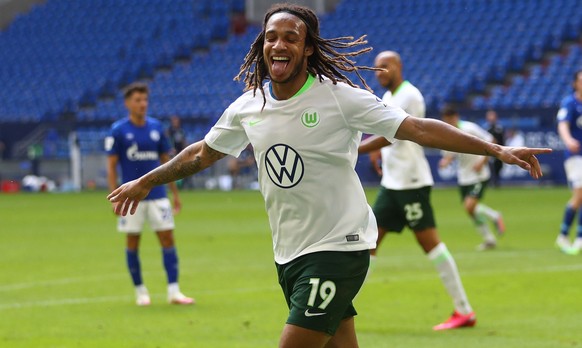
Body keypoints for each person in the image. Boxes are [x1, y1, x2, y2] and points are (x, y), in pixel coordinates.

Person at [107, 5, 549, 347]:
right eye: (271, 37)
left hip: (339, 248)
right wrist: (148, 180)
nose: (279, 45)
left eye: (291, 38)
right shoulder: (248, 106)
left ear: (308, 48)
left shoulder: (340, 98)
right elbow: (203, 153)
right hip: (290, 253)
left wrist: (495, 149)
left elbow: (416, 128)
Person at [358, 51, 475, 331]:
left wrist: (359, 149)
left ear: (398, 67)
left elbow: (394, 134)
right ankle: (339, 310)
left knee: (430, 244)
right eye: (376, 69)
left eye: (385, 67)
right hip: (392, 184)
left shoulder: (411, 96)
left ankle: (464, 310)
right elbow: (382, 133)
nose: (380, 72)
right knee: (368, 243)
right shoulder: (388, 98)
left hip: (410, 183)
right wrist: (374, 155)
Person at [105, 83, 194, 306]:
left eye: (145, 100)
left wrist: (175, 192)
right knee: (133, 241)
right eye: (137, 100)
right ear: (127, 103)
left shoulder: (156, 128)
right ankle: (140, 291)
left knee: (168, 238)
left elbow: (168, 163)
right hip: (130, 197)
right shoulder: (118, 130)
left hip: (158, 195)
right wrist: (115, 197)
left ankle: (174, 291)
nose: (142, 104)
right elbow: (111, 166)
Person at [439, 106, 506, 251]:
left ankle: (494, 217)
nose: (448, 122)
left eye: (450, 119)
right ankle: (489, 237)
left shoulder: (469, 128)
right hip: (463, 177)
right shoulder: (447, 133)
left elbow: (491, 140)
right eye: (446, 120)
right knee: (470, 210)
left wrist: (482, 161)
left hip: (479, 175)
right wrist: (446, 161)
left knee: (470, 206)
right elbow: (451, 153)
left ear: (456, 117)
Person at [555, 69, 582, 255]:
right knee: (579, 194)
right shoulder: (570, 103)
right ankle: (563, 235)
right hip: (576, 156)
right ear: (575, 83)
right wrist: (569, 140)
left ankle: (578, 236)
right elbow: (562, 124)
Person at [485, 110, 505, 187]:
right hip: (490, 152)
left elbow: (502, 140)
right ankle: (491, 181)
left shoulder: (499, 128)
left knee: (498, 166)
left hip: (499, 151)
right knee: (489, 167)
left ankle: (497, 181)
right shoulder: (486, 128)